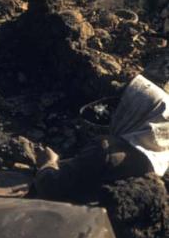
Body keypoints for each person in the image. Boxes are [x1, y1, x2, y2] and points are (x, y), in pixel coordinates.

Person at [34, 75, 169, 200]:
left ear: (137, 112)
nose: (116, 112)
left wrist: (49, 162)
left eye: (124, 106)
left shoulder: (105, 149)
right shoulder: (160, 161)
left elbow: (50, 187)